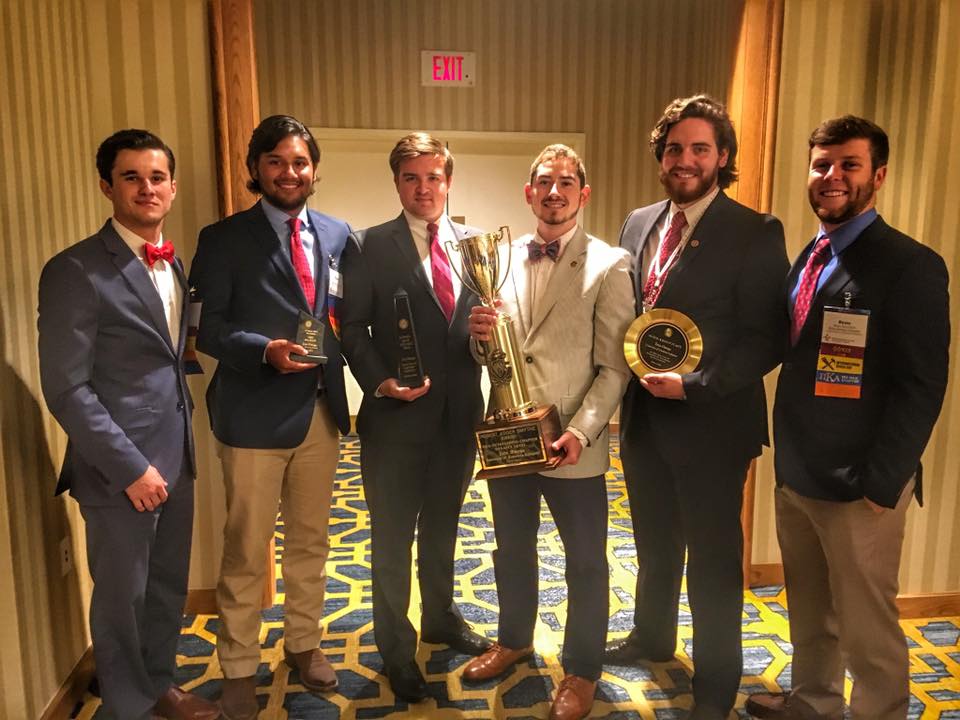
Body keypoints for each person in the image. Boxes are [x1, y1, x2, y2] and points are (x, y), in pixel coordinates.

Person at [745, 117, 950, 720]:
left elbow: (922, 383)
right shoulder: (809, 255)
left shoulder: (909, 264)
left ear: (878, 176)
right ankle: (813, 701)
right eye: (822, 165)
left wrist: (884, 482)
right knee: (810, 608)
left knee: (867, 627)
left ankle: (879, 712)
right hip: (799, 474)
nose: (832, 177)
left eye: (849, 165)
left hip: (863, 487)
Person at [604, 94, 789, 720]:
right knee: (653, 540)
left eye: (699, 149)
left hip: (711, 422)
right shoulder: (638, 223)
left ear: (723, 158)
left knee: (712, 556)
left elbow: (769, 335)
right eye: (675, 148)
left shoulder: (754, 230)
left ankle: (716, 677)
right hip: (644, 417)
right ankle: (652, 634)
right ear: (662, 156)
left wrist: (699, 383)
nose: (685, 160)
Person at [37, 130, 218, 720]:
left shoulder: (174, 261)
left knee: (165, 589)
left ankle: (157, 685)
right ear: (106, 186)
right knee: (121, 598)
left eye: (157, 177)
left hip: (177, 453)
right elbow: (67, 387)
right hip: (120, 469)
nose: (147, 188)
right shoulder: (75, 270)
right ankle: (127, 705)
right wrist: (130, 469)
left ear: (173, 185)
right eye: (132, 177)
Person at [462, 145, 635, 720]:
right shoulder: (498, 260)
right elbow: (492, 354)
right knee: (511, 548)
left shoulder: (611, 264)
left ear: (582, 195)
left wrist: (584, 432)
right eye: (544, 182)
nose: (554, 192)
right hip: (510, 437)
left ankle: (582, 670)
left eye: (566, 183)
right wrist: (479, 333)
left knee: (585, 560)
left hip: (571, 446)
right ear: (528, 192)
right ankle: (513, 639)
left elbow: (615, 366)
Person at [190, 115, 352, 720]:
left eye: (301, 162)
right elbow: (205, 326)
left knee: (311, 541)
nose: (290, 173)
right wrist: (264, 350)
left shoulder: (339, 236)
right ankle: (237, 665)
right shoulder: (223, 238)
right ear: (256, 168)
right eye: (277, 162)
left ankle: (304, 644)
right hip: (253, 413)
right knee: (246, 548)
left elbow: (345, 319)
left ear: (314, 169)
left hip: (320, 414)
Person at [339, 132, 491, 703]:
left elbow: (480, 324)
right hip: (395, 420)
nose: (424, 188)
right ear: (397, 181)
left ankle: (441, 617)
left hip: (458, 418)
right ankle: (396, 650)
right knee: (392, 536)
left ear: (448, 181)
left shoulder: (475, 245)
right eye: (411, 177)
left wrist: (489, 332)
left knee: (445, 527)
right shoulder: (368, 245)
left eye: (434, 177)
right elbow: (352, 328)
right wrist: (380, 381)